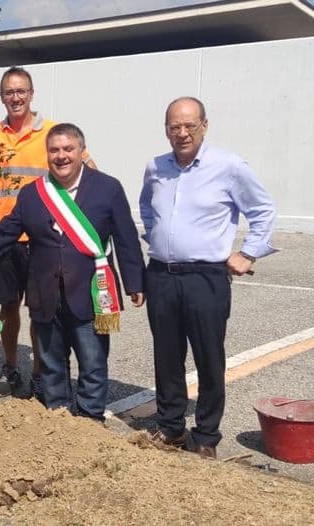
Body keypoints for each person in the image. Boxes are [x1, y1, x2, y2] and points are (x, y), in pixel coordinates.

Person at [0, 123, 144, 421]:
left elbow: (126, 238)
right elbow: (7, 232)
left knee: (93, 361)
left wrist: (135, 281)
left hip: (91, 291)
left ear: (81, 152)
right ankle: (57, 418)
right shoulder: (33, 193)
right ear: (47, 155)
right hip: (44, 292)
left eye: (68, 149)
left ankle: (89, 421)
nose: (61, 156)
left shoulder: (107, 187)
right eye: (54, 150)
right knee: (50, 362)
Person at [140, 97, 276, 459]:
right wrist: (156, 237)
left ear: (204, 125)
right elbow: (146, 208)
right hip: (162, 276)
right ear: (166, 128)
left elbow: (262, 210)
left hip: (206, 278)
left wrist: (248, 252)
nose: (181, 133)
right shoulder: (155, 168)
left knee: (208, 358)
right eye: (174, 126)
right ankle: (170, 428)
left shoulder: (229, 166)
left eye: (189, 125)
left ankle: (205, 436)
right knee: (166, 356)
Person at [0, 66, 97, 398]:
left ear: (31, 93)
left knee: (41, 310)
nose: (16, 97)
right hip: (7, 238)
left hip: (43, 238)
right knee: (8, 307)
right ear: (2, 97)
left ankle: (40, 373)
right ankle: (11, 367)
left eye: (21, 91)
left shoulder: (52, 132)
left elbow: (89, 168)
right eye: (9, 92)